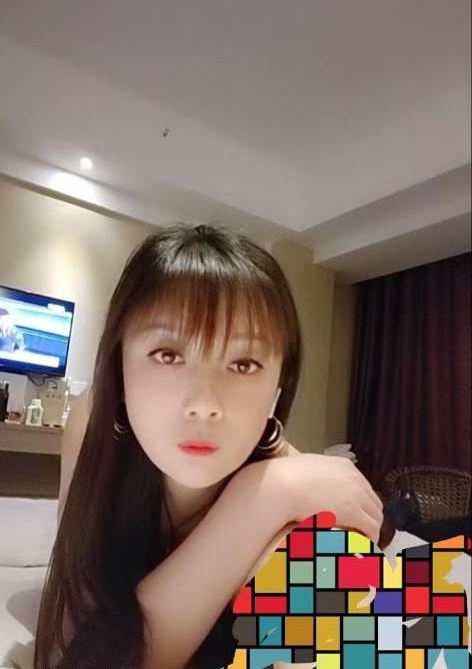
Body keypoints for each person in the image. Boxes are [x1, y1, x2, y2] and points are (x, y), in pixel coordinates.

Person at [33, 223, 383, 669]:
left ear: (279, 384)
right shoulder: (92, 421)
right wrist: (260, 500)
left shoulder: (304, 512)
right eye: (168, 355)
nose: (204, 403)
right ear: (118, 368)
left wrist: (267, 495)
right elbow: (72, 636)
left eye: (244, 363)